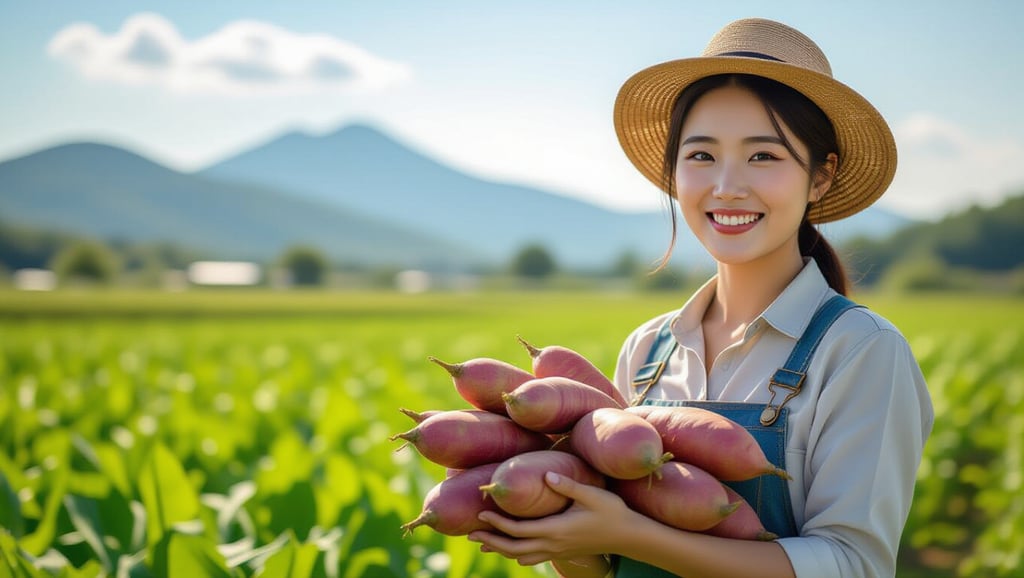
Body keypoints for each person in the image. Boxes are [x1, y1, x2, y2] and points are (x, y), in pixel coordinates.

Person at [467, 17, 934, 578]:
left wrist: (629, 533)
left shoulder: (861, 351)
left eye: (763, 156)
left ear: (820, 177)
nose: (727, 186)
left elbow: (852, 565)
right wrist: (564, 537)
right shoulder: (647, 349)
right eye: (701, 155)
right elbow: (611, 567)